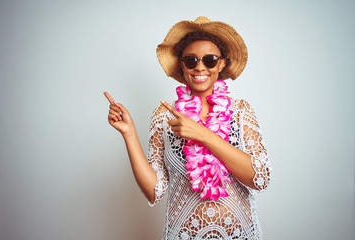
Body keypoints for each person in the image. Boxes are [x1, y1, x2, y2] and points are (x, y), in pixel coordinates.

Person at [104, 16, 271, 240]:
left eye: (209, 60)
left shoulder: (240, 111)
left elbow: (259, 178)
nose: (200, 66)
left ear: (221, 63)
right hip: (183, 234)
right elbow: (154, 191)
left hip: (240, 234)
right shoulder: (164, 116)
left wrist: (202, 135)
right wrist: (129, 133)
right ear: (182, 65)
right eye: (191, 60)